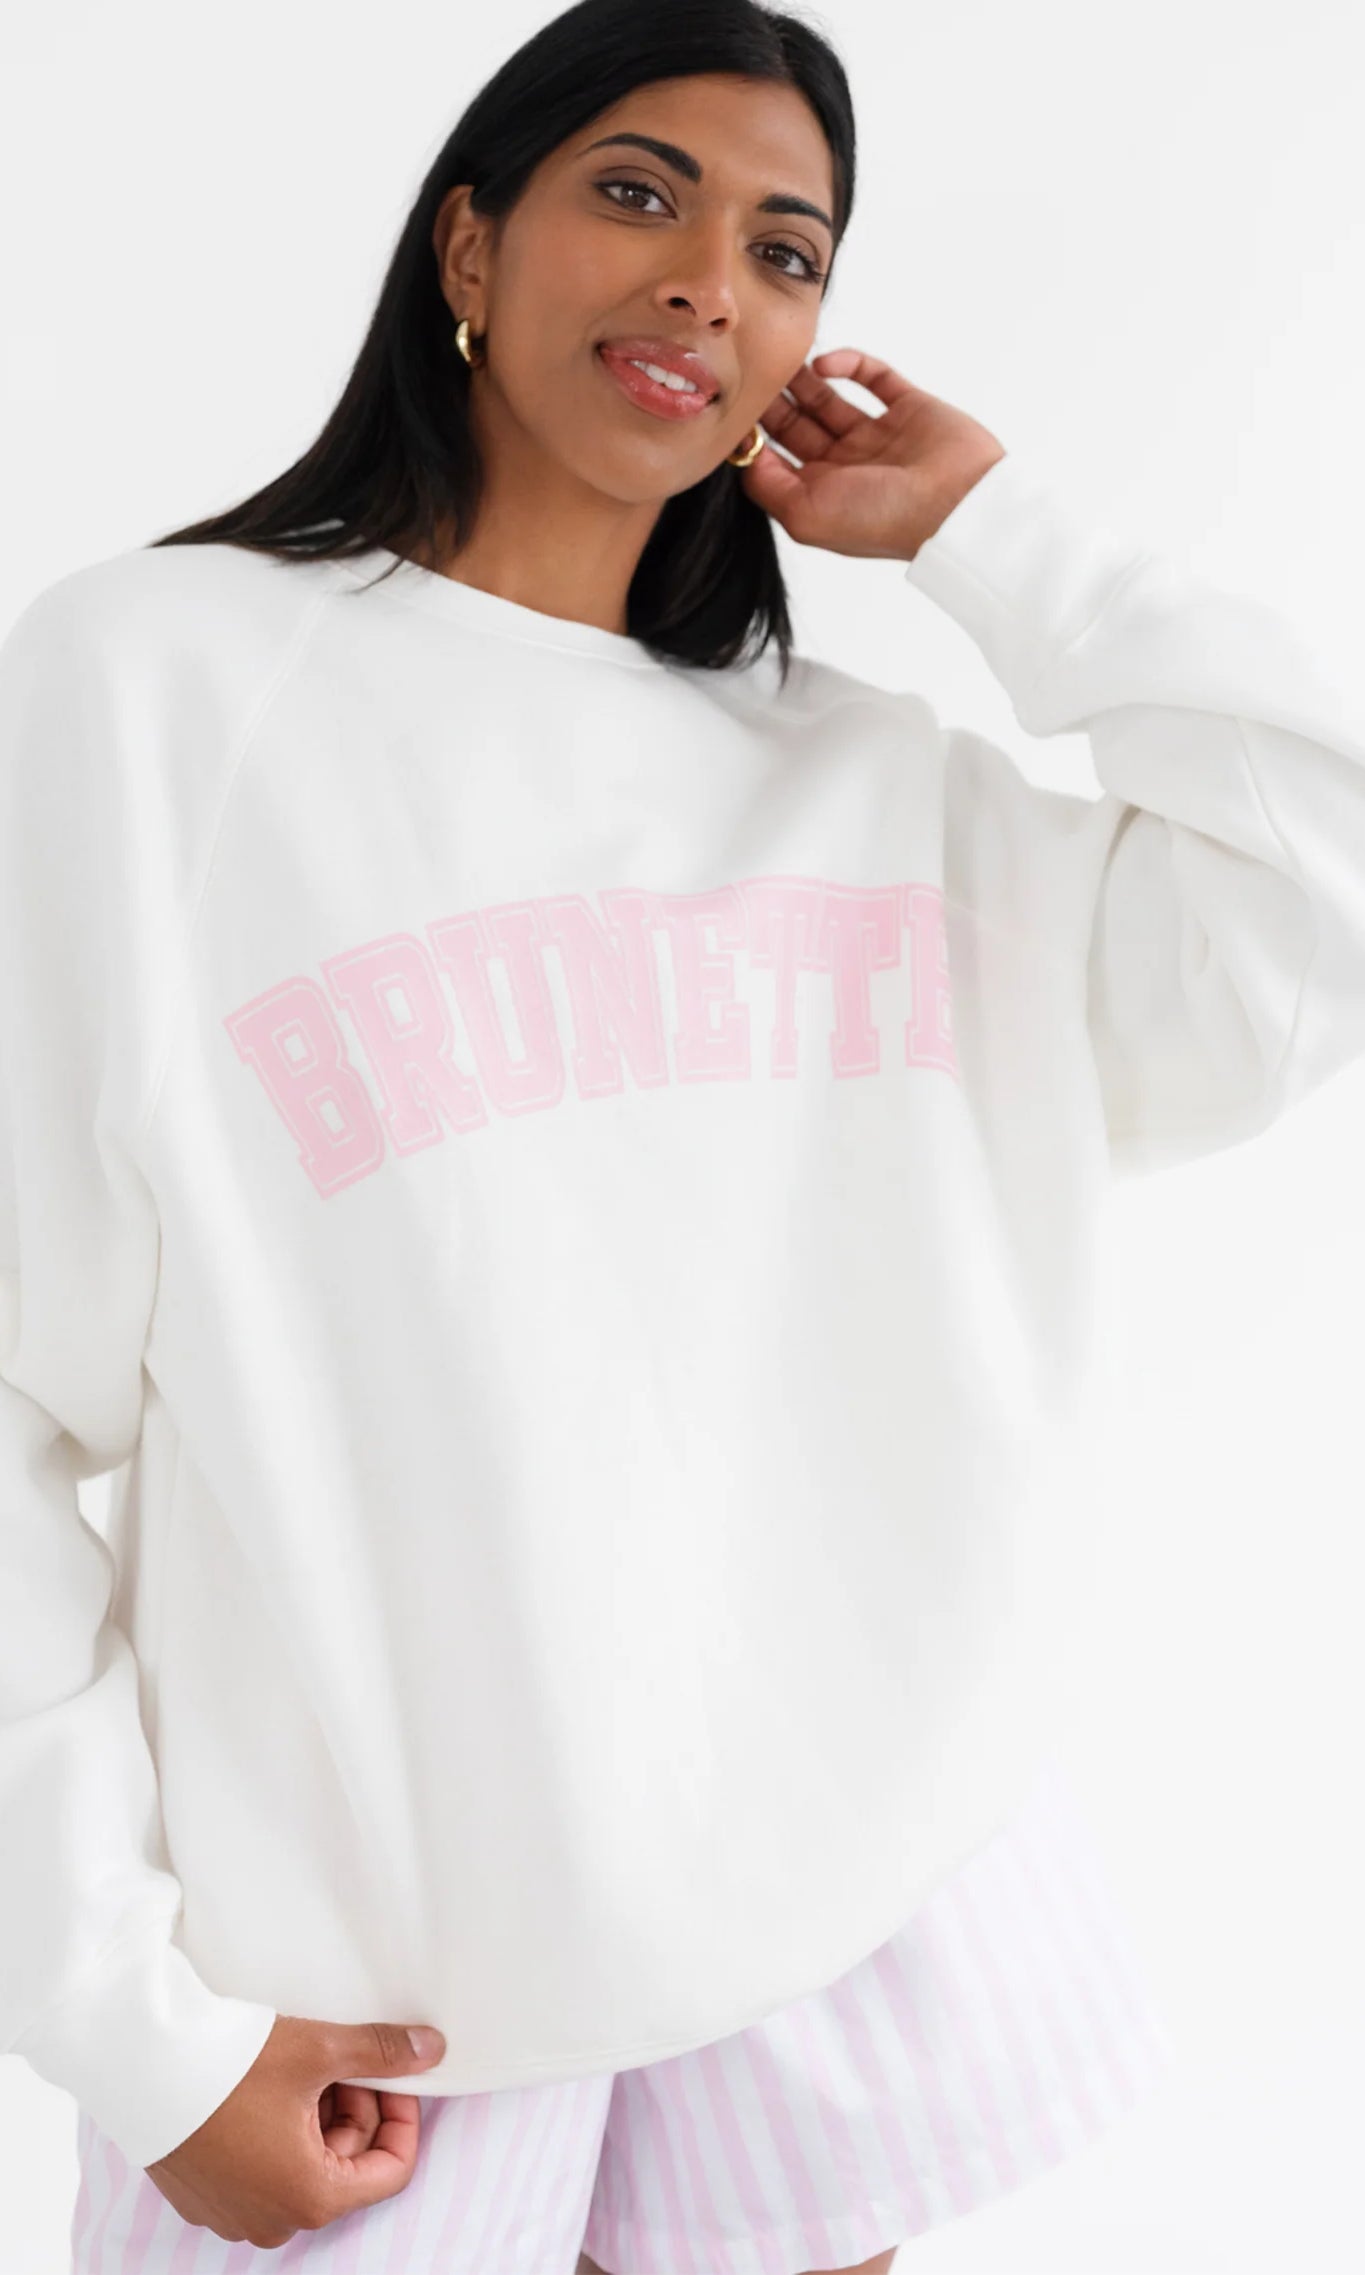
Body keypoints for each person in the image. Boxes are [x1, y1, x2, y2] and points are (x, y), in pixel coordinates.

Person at [4, 0, 1361, 2269]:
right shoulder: (153, 691)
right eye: (637, 193)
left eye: (785, 252)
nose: (707, 285)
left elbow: (1323, 884)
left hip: (831, 1920)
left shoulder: (867, 789)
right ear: (469, 242)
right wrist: (131, 2025)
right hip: (368, 1996)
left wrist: (997, 539)